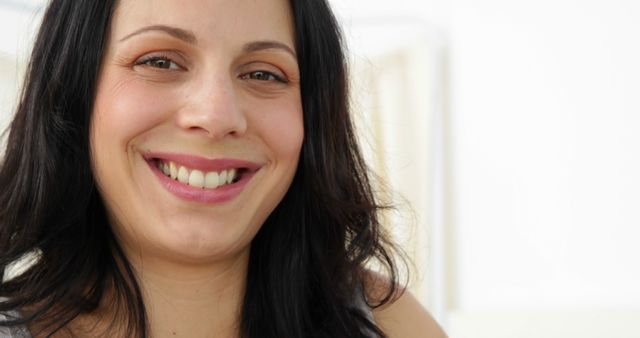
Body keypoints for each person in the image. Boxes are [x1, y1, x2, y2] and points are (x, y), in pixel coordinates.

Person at [0, 0, 447, 337]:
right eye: (159, 61)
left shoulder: (389, 321)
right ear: (74, 90)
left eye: (263, 74)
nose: (216, 116)